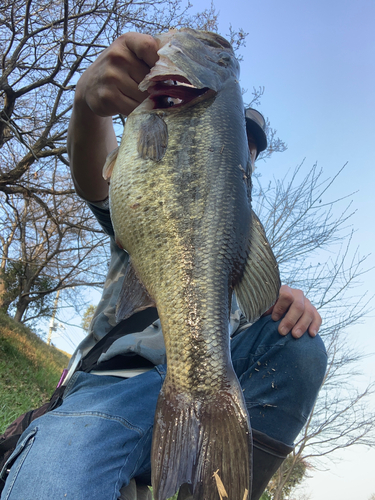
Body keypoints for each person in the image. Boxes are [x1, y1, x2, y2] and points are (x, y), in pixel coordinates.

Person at [0, 32, 327, 500]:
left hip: (208, 391)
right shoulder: (154, 168)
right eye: (241, 133)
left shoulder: (237, 240)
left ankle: (216, 487)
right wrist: (86, 105)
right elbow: (95, 176)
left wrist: (277, 305)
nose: (245, 147)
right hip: (118, 379)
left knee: (299, 346)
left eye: (250, 145)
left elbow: (245, 283)